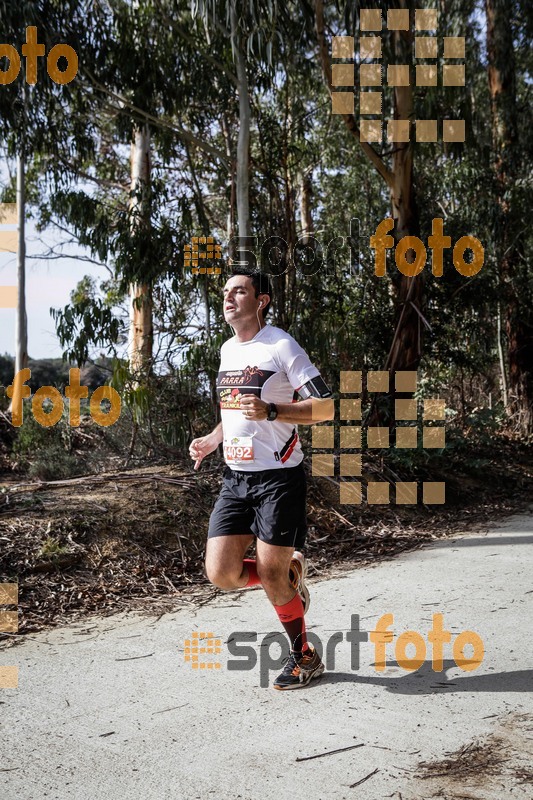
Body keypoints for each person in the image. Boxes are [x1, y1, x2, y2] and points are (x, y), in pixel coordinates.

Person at [189, 269, 334, 689]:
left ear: (262, 300)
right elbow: (233, 411)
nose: (229, 298)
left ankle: (304, 656)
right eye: (225, 292)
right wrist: (214, 439)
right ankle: (287, 579)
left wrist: (274, 412)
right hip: (235, 479)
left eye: (240, 291)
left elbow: (324, 407)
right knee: (221, 573)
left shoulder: (280, 345)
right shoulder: (226, 350)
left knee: (270, 576)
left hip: (278, 479)